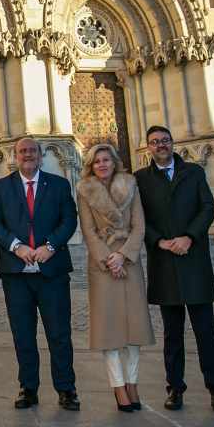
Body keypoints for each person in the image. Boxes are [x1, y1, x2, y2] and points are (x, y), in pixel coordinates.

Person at [135, 125, 214, 413]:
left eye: (164, 141)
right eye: (154, 142)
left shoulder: (195, 172)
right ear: (148, 148)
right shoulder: (140, 179)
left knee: (205, 332)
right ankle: (175, 388)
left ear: (173, 143)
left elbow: (207, 206)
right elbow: (138, 217)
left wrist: (190, 236)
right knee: (172, 334)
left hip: (193, 258)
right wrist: (159, 241)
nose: (160, 145)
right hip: (164, 261)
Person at [0, 137, 80, 411]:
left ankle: (66, 389)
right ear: (14, 156)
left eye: (32, 151)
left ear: (41, 155)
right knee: (22, 333)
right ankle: (28, 388)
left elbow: (69, 219)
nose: (27, 155)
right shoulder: (3, 186)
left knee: (59, 333)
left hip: (52, 271)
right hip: (16, 273)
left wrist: (50, 246)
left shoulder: (59, 184)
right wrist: (16, 246)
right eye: (22, 151)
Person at [75, 143, 154, 413]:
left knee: (134, 330)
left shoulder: (130, 185)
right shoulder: (84, 190)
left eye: (106, 160)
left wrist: (124, 255)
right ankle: (118, 387)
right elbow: (88, 230)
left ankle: (133, 382)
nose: (102, 165)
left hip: (129, 262)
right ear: (90, 166)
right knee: (109, 331)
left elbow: (139, 225)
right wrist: (109, 258)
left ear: (114, 162)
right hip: (103, 266)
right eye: (97, 161)